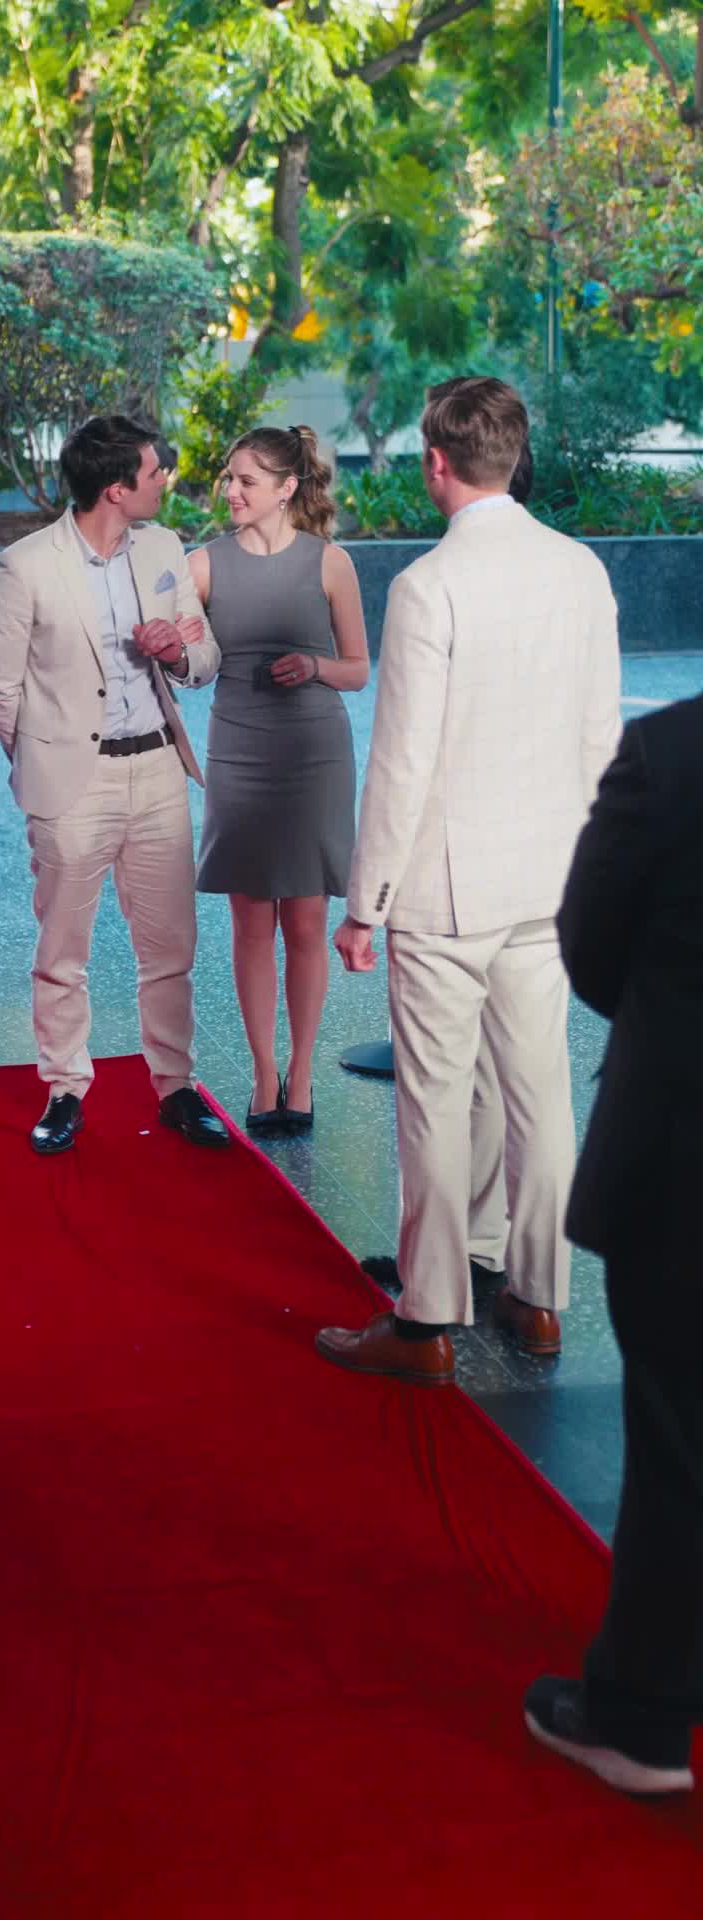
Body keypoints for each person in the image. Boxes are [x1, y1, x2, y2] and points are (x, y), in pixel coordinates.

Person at [318, 375, 621, 1385]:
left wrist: (365, 905)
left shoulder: (428, 586)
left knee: (436, 1105)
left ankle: (427, 1321)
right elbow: (601, 741)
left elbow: (403, 762)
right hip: (552, 883)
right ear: (515, 455)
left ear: (437, 464)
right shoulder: (581, 570)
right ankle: (539, 1301)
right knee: (540, 1097)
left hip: (446, 894)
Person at [524, 692, 703, 1795]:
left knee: (682, 1437)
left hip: (684, 1158)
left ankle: (639, 1719)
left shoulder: (673, 755)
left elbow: (591, 949)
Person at [0, 413, 229, 1154]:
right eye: (152, 472)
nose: (163, 481)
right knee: (63, 949)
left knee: (171, 946)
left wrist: (176, 653)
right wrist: (44, 756)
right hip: (71, 784)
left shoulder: (164, 548)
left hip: (158, 770)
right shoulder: (25, 566)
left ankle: (176, 1088)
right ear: (116, 488)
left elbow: (205, 657)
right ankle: (64, 1090)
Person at [189, 425, 369, 1132]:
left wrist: (315, 666)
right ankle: (264, 1071)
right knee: (250, 921)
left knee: (306, 919)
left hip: (314, 756)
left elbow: (358, 670)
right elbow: (186, 661)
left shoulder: (332, 563)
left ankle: (301, 1070)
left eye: (246, 481)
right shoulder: (202, 564)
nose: (231, 492)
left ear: (287, 488)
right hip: (237, 751)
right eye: (229, 479)